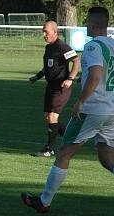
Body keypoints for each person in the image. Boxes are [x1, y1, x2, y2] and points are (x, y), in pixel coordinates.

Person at [21, 6, 114, 216]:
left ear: (93, 25)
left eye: (87, 23)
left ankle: (44, 202)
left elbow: (95, 74)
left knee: (65, 153)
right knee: (107, 157)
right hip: (113, 110)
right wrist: (102, 80)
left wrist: (81, 101)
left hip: (93, 109)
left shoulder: (93, 47)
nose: (86, 26)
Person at [28, 20, 80, 157]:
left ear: (55, 32)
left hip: (61, 87)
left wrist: (70, 79)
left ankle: (49, 149)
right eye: (43, 32)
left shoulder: (63, 47)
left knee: (52, 116)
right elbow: (48, 67)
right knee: (48, 117)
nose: (44, 34)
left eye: (46, 32)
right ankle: (73, 137)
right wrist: (37, 76)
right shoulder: (48, 48)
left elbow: (76, 61)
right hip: (50, 86)